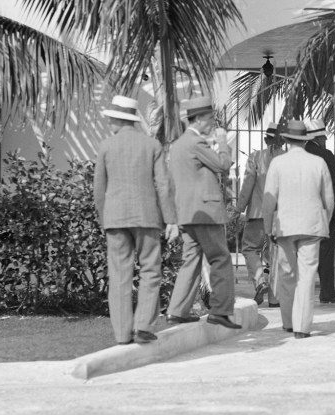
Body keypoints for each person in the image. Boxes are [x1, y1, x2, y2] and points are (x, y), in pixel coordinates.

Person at [93, 95, 178, 345]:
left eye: (111, 119)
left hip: (115, 218)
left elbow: (99, 189)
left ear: (118, 119)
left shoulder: (106, 146)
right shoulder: (152, 146)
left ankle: (121, 334)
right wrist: (171, 219)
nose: (109, 122)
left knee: (119, 275)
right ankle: (142, 326)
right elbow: (164, 185)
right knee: (151, 270)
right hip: (147, 217)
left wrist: (104, 219)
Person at [166, 95, 241, 330]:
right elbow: (222, 165)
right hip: (205, 211)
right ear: (197, 119)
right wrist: (222, 142)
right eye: (209, 119)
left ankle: (177, 311)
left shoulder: (177, 145)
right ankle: (220, 310)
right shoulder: (196, 143)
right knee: (220, 258)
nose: (212, 124)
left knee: (191, 260)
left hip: (187, 213)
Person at [262, 119, 334, 338]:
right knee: (307, 277)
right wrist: (325, 221)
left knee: (287, 275)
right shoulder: (319, 162)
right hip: (312, 227)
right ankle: (302, 327)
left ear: (287, 140)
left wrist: (267, 228)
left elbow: (268, 200)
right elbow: (328, 199)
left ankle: (288, 322)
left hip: (284, 227)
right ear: (305, 140)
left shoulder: (277, 163)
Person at [235, 123, 282, 306]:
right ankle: (274, 298)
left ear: (265, 139)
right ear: (281, 139)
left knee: (250, 249)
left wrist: (239, 208)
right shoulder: (286, 158)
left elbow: (247, 185)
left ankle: (259, 280)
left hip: (257, 213)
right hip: (279, 215)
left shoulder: (255, 157)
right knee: (275, 254)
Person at [305, 118, 335, 303]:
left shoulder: (299, 155)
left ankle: (302, 292)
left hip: (303, 211)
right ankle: (327, 292)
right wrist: (334, 204)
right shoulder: (325, 155)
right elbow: (334, 183)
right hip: (324, 210)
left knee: (303, 252)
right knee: (326, 252)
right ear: (319, 137)